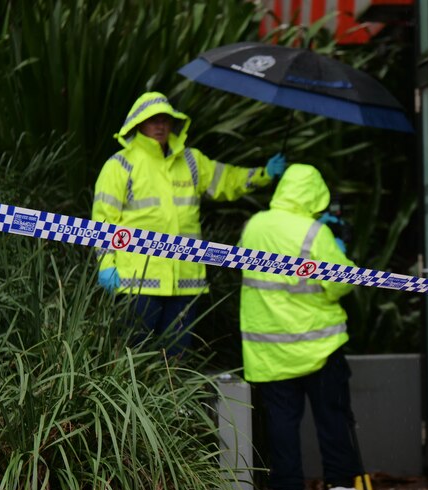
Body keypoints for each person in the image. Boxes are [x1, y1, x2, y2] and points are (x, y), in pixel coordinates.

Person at [92, 91, 286, 356]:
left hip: (184, 283)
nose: (160, 125)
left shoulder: (192, 161)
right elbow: (104, 221)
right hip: (137, 283)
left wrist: (263, 174)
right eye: (153, 120)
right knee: (134, 363)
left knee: (177, 364)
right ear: (138, 123)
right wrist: (106, 264)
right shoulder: (120, 166)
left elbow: (226, 180)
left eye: (165, 119)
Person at [239, 163, 364, 490]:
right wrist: (339, 248)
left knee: (281, 422)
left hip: (269, 348)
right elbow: (340, 284)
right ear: (315, 195)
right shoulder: (314, 232)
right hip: (319, 345)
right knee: (332, 418)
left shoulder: (254, 226)